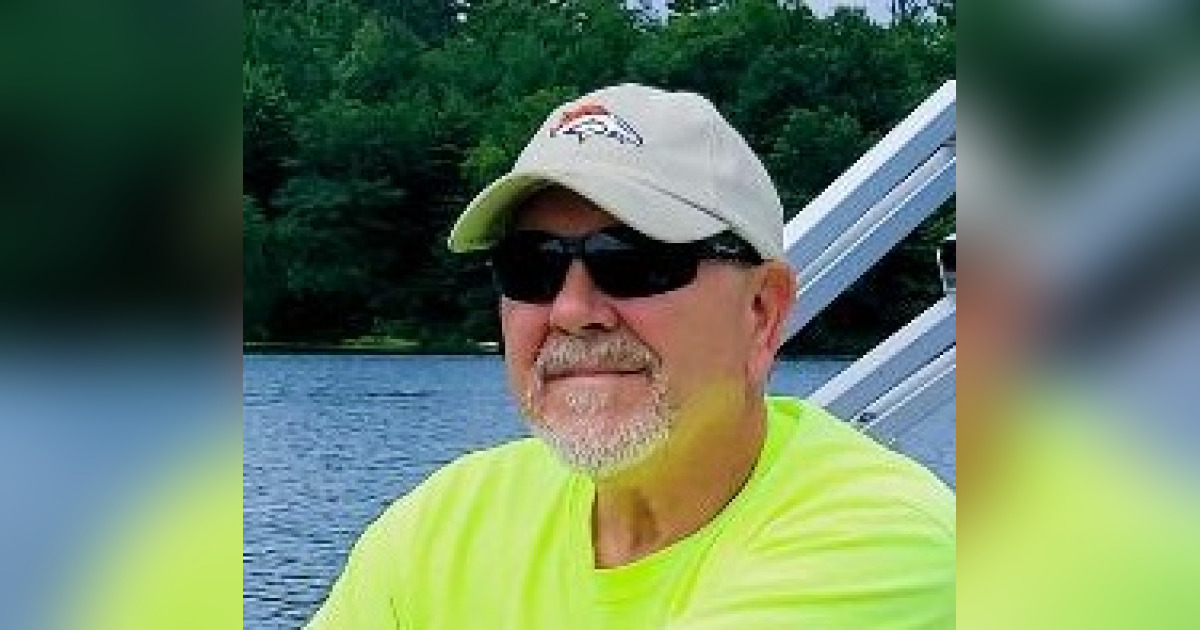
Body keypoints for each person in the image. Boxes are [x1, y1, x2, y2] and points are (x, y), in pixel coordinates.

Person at [307, 84, 954, 629]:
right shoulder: (446, 525)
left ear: (762, 311)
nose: (571, 310)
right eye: (531, 267)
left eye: (633, 261)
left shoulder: (884, 541)